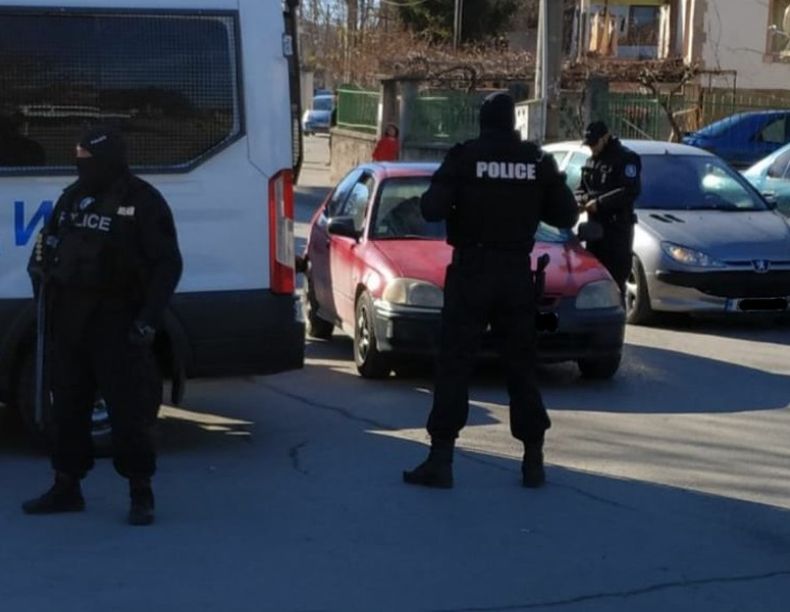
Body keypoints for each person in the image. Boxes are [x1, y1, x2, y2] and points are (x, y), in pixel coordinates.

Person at [402, 92, 579, 489]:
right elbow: (566, 213)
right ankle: (533, 460)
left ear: (482, 122)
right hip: (515, 274)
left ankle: (441, 459)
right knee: (521, 367)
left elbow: (431, 209)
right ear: (513, 123)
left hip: (472, 272)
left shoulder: (464, 158)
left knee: (455, 365)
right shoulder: (535, 161)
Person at [22, 126, 183, 526]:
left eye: (87, 159)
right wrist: (43, 286)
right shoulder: (73, 198)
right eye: (78, 159)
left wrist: (148, 320)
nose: (81, 166)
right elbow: (46, 247)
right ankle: (67, 485)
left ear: (108, 159)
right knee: (68, 409)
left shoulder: (142, 201)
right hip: (70, 321)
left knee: (128, 412)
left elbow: (167, 265)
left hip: (118, 322)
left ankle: (140, 492)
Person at [576, 121, 641, 296]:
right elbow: (581, 188)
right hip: (594, 230)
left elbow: (630, 191)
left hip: (616, 231)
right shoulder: (591, 161)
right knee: (593, 281)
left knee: (614, 283)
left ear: (605, 138)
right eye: (589, 144)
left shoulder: (626, 158)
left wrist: (599, 203)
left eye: (594, 143)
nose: (592, 148)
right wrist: (581, 200)